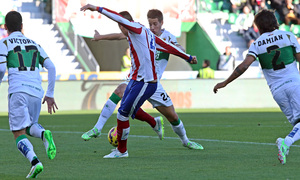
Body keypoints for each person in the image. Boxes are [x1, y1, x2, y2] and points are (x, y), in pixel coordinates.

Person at [80, 4, 197, 158]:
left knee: (172, 116)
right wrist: (100, 37)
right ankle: (100, 130)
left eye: (155, 24)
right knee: (122, 97)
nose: (153, 26)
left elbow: (171, 47)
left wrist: (186, 55)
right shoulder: (141, 32)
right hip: (139, 80)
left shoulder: (158, 35)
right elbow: (118, 35)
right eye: (151, 24)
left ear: (161, 23)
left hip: (152, 83)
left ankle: (184, 140)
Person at [213, 9, 300, 165]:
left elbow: (243, 66)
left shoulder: (257, 44)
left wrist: (225, 82)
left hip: (277, 91)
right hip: (295, 85)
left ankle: (286, 142)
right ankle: (285, 142)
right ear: (276, 22)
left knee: (298, 124)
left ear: (259, 27)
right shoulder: (288, 36)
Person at [0, 11, 58, 178]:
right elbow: (52, 67)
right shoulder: (35, 44)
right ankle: (43, 133)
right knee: (31, 124)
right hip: (36, 91)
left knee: (18, 132)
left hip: (18, 90)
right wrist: (50, 94)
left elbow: (2, 68)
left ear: (5, 27)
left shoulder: (4, 43)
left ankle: (35, 162)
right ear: (22, 26)